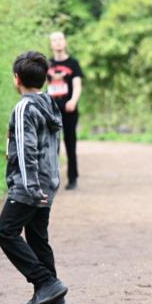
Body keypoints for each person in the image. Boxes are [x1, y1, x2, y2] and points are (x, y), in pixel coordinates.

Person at [0, 51, 68, 304]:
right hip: (48, 181)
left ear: (17, 79)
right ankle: (51, 297)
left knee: (5, 231)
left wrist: (30, 187)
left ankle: (46, 282)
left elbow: (27, 150)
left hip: (30, 184)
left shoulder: (24, 107)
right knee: (37, 237)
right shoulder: (50, 103)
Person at [47, 32, 84, 190]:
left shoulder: (73, 63)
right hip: (51, 110)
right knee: (51, 146)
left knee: (70, 144)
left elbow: (77, 85)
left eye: (60, 39)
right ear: (51, 44)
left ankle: (73, 178)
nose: (58, 43)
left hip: (69, 110)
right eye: (54, 40)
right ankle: (51, 181)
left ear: (65, 42)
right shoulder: (47, 64)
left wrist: (73, 101)